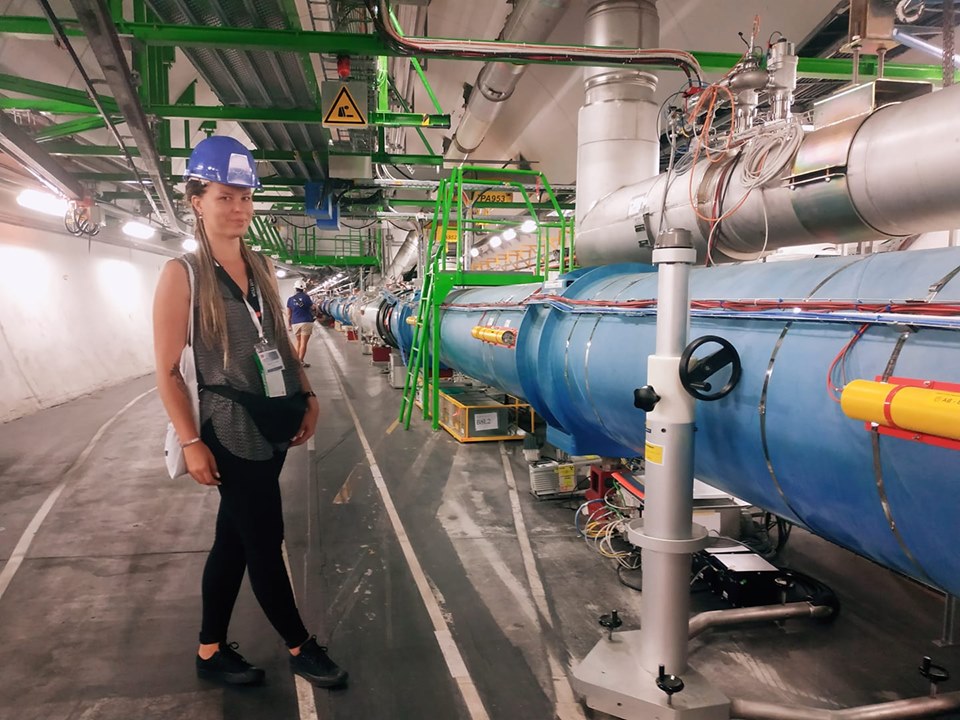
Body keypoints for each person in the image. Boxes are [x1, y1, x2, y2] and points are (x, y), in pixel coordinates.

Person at [152, 135, 347, 688]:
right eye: (224, 197)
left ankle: (210, 652)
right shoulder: (182, 275)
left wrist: (307, 394)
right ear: (197, 200)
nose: (238, 208)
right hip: (227, 430)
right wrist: (192, 442)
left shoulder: (260, 266)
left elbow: (281, 344)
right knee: (264, 539)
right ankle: (300, 645)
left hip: (271, 422)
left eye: (245, 196)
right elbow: (166, 370)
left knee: (233, 540)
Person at [286, 279, 315, 368]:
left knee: (298, 342)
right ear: (304, 288)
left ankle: (295, 360)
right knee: (303, 343)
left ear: (295, 288)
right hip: (306, 321)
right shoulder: (306, 297)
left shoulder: (290, 299)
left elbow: (288, 314)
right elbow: (313, 307)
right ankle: (300, 361)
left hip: (295, 322)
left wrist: (289, 325)